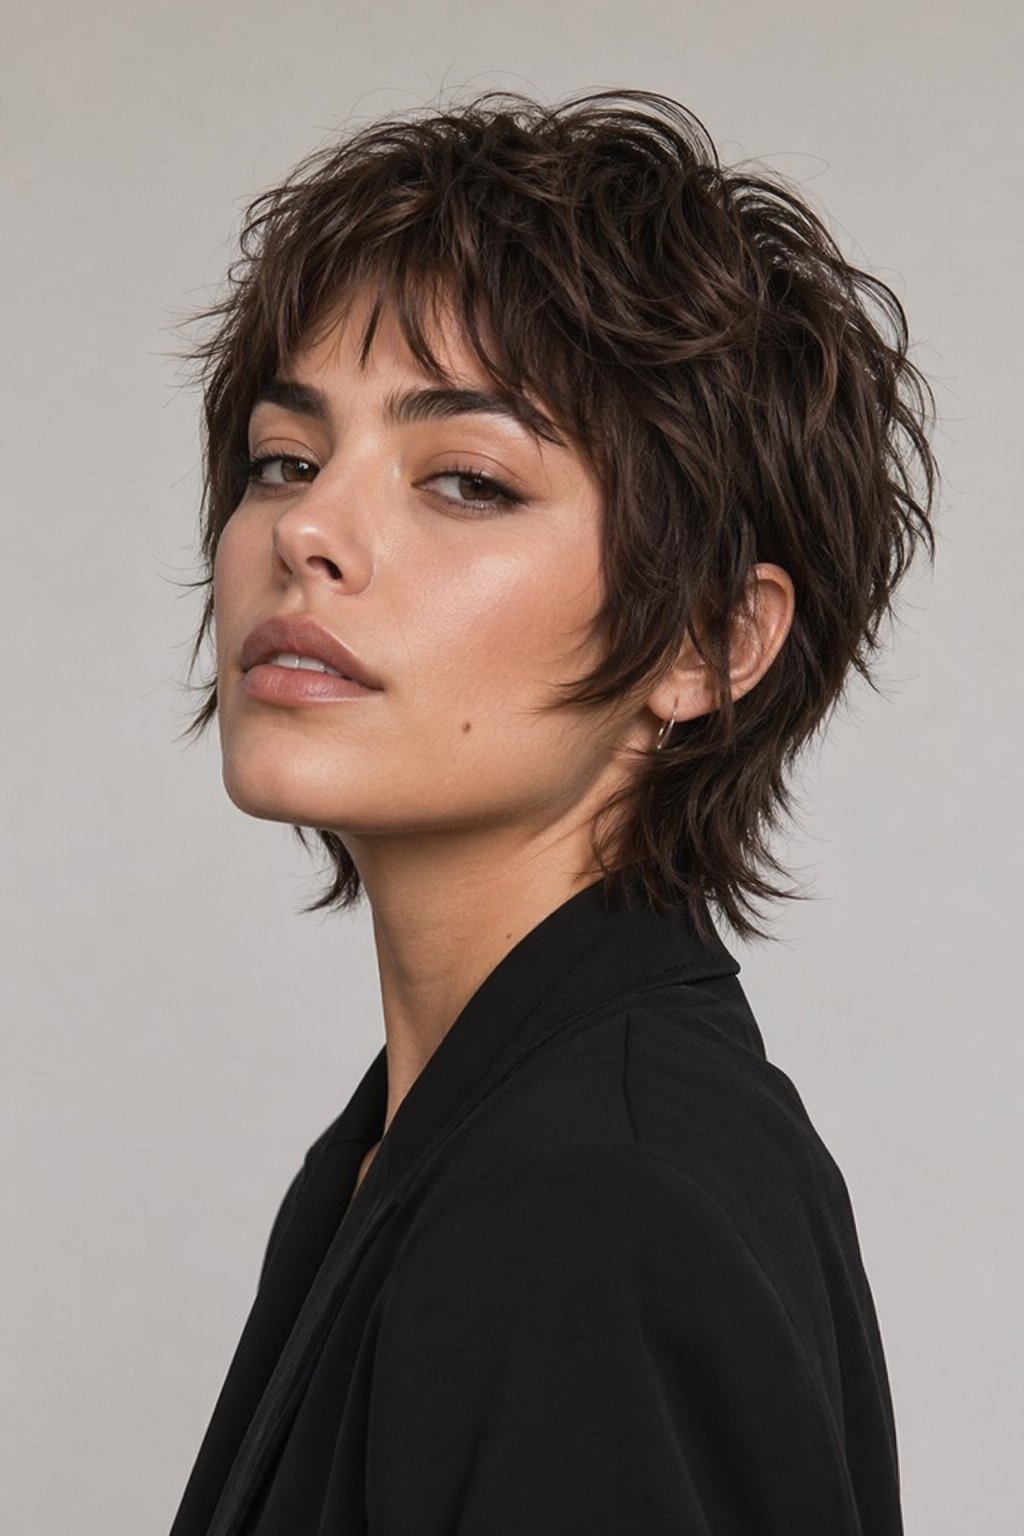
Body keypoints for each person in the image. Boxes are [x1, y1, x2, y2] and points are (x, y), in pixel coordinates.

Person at [168, 88, 938, 1535]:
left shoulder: (596, 1208)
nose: (307, 531)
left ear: (709, 643)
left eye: (466, 481)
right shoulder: (418, 1152)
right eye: (285, 459)